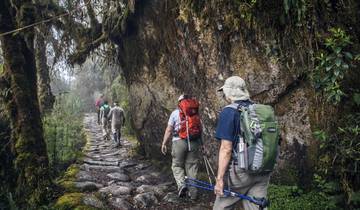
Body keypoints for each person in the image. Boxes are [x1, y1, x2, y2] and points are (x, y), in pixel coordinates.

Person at [213, 76, 274, 210]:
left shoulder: (229, 112)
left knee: (221, 207)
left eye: (225, 92)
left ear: (230, 92)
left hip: (240, 172)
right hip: (263, 169)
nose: (224, 95)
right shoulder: (258, 110)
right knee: (256, 207)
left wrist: (219, 179)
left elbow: (226, 149)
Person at [161, 94, 202, 200]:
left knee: (177, 166)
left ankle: (182, 185)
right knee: (192, 167)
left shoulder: (175, 113)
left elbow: (169, 129)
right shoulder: (195, 113)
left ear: (179, 103)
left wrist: (164, 143)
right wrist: (202, 145)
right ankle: (193, 193)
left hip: (178, 141)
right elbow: (199, 129)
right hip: (193, 142)